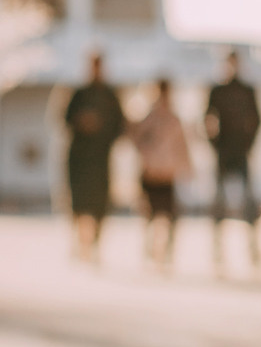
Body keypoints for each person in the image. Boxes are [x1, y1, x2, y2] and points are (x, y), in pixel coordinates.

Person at [65, 53, 125, 261]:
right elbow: (66, 119)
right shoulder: (79, 93)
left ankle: (96, 244)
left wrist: (101, 128)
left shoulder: (110, 95)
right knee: (79, 203)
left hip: (100, 159)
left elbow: (120, 126)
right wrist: (83, 123)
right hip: (80, 159)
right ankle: (80, 242)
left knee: (100, 203)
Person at [205, 50, 261, 268]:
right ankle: (218, 250)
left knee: (247, 202)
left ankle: (253, 249)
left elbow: (257, 119)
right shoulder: (218, 91)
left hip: (240, 152)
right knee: (219, 202)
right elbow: (208, 118)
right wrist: (215, 144)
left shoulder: (247, 91)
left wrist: (249, 144)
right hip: (224, 152)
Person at [130, 79, 192, 268]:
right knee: (150, 216)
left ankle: (166, 252)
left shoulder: (174, 120)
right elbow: (137, 141)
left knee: (169, 217)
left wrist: (186, 168)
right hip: (151, 174)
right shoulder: (148, 118)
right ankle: (150, 251)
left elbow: (182, 146)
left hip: (167, 175)